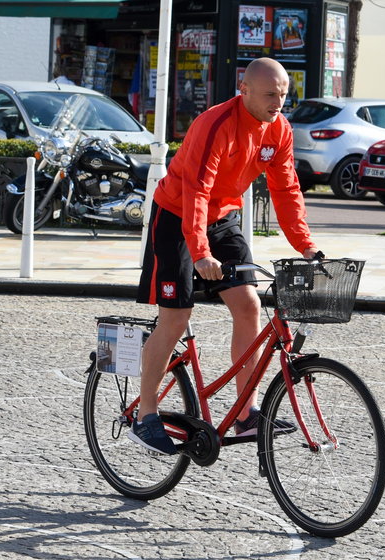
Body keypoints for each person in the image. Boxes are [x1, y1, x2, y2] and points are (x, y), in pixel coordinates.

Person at [131, 57, 321, 455]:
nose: (278, 103)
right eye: (270, 95)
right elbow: (196, 190)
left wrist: (305, 245)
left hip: (221, 218)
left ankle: (245, 413)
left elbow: (286, 190)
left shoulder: (279, 129)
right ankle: (146, 415)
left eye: (283, 95)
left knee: (250, 305)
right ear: (245, 90)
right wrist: (199, 253)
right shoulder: (216, 125)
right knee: (176, 317)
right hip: (176, 215)